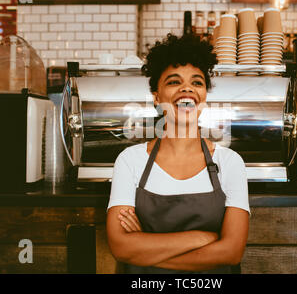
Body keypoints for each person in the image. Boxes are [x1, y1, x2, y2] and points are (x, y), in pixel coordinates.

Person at [106, 33, 250, 274]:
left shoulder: (230, 163)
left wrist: (142, 251)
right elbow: (120, 247)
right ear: (156, 97)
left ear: (204, 96)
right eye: (174, 82)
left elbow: (231, 252)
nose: (187, 89)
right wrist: (200, 239)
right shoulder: (130, 161)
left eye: (197, 82)